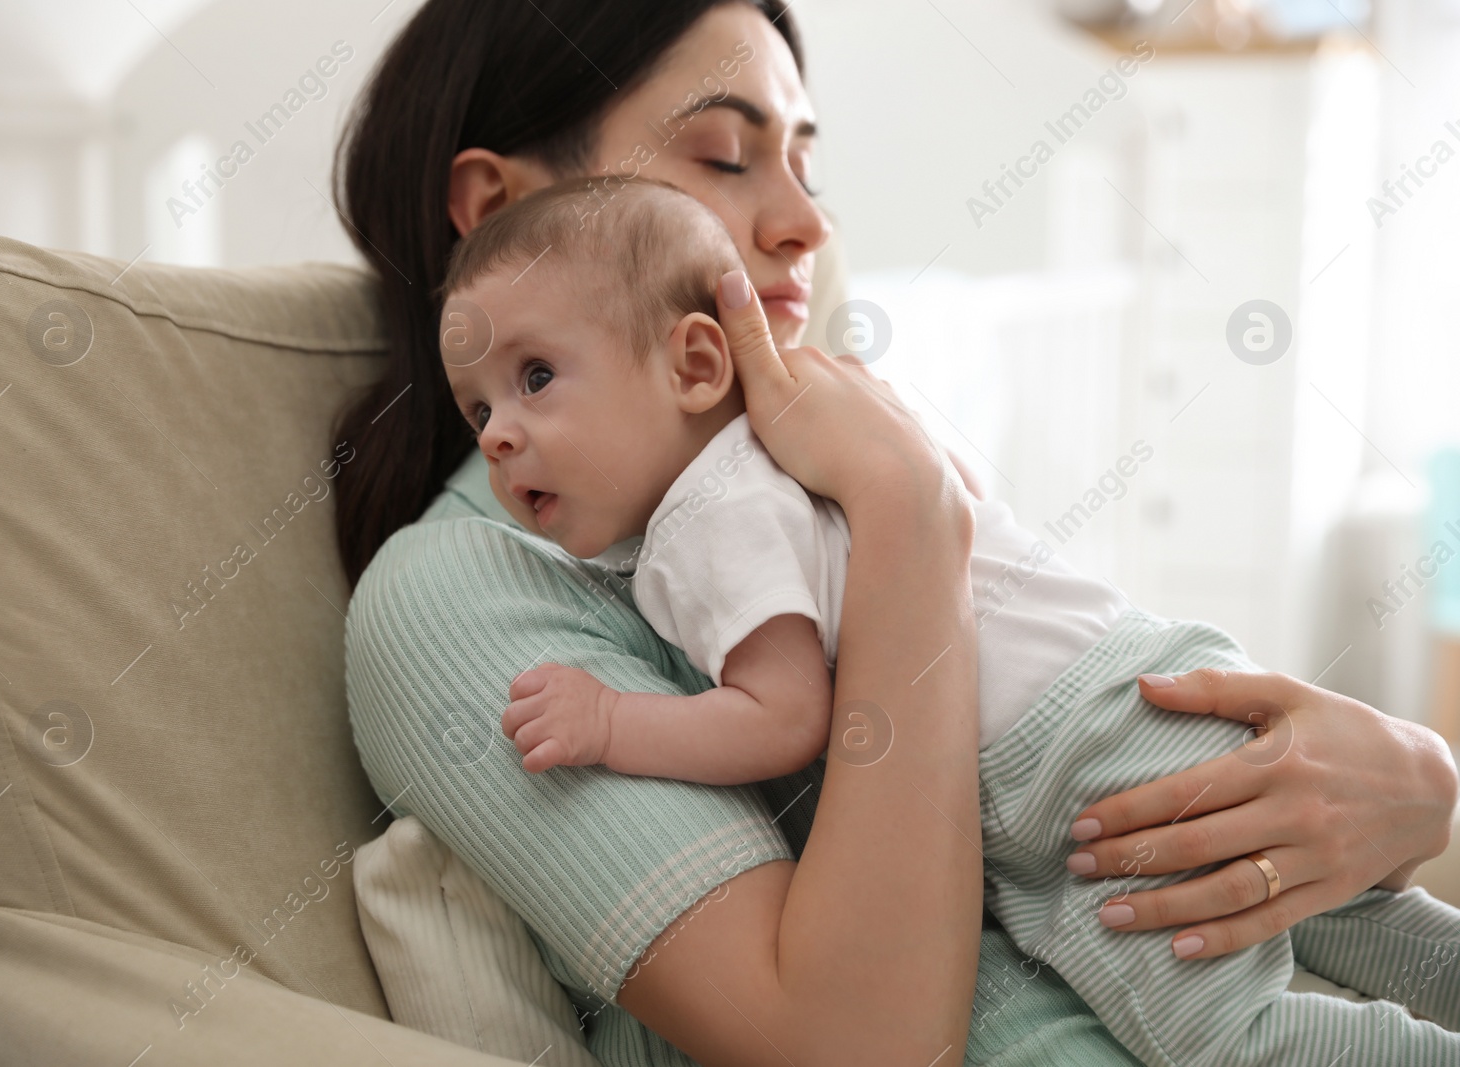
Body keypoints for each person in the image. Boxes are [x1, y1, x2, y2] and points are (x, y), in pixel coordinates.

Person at [332, 2, 1460, 1063]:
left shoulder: (827, 450)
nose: (807, 222)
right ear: (494, 210)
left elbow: (1088, 698)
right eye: (724, 157)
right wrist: (905, 508)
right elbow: (857, 1044)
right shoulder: (459, 592)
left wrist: (1412, 779)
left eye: (808, 167)